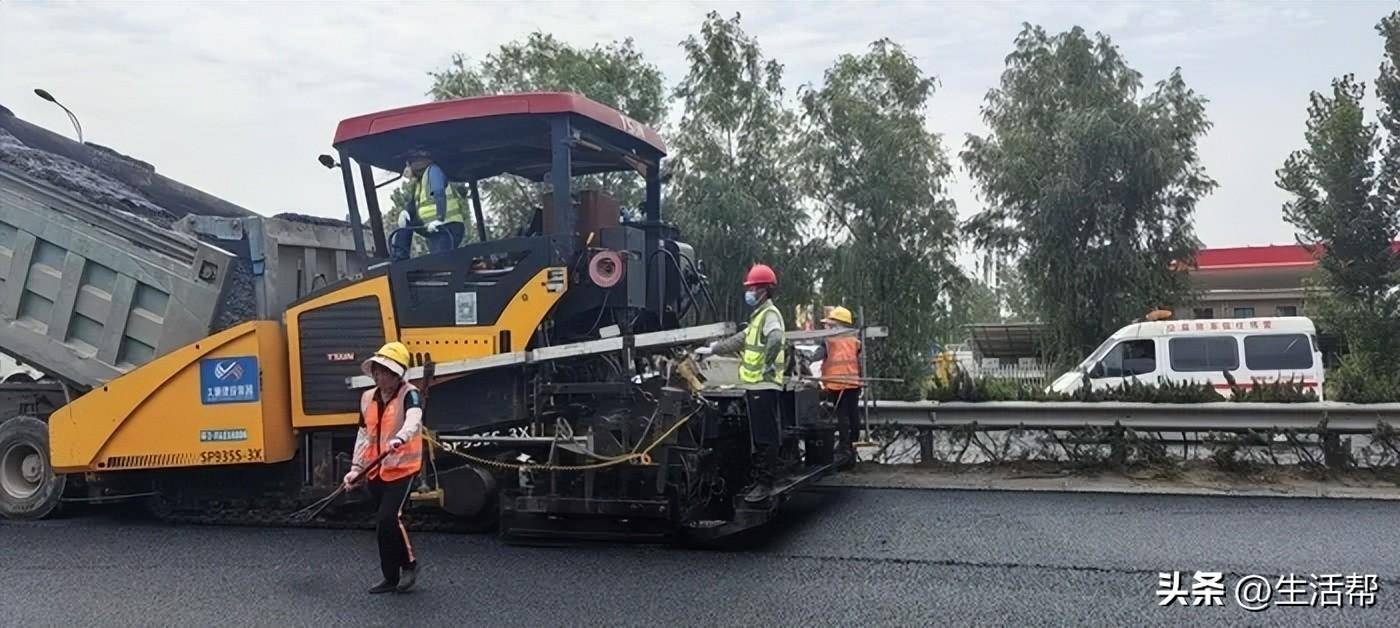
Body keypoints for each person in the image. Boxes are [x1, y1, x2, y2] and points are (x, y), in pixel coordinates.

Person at [695, 263, 786, 503]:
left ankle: (766, 483)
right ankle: (760, 480)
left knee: (765, 435)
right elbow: (738, 341)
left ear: (763, 291)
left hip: (764, 384)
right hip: (757, 385)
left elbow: (776, 337)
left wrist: (767, 363)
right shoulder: (758, 317)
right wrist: (712, 349)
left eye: (753, 288)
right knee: (760, 434)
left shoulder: (769, 314)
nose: (749, 292)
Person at [343, 342, 424, 594]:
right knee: (382, 527)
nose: (379, 376)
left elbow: (414, 418)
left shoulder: (409, 394)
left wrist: (400, 437)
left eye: (385, 371)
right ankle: (390, 577)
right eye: (377, 371)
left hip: (403, 468)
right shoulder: (367, 398)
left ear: (397, 374)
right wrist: (356, 469)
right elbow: (364, 435)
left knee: (389, 518)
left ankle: (409, 565)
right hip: (376, 470)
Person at [390, 149, 467, 261]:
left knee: (439, 262)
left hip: (449, 227)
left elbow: (439, 194)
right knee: (406, 221)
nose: (406, 169)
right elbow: (412, 204)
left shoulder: (433, 171)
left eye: (408, 164)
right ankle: (399, 256)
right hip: (434, 228)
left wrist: (440, 219)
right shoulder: (419, 183)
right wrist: (405, 212)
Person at [810, 306, 862, 469]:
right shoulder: (855, 339)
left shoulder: (829, 339)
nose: (826, 326)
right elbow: (858, 358)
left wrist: (808, 360)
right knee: (853, 415)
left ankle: (844, 448)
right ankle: (851, 446)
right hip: (853, 382)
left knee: (842, 417)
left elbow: (817, 356)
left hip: (836, 383)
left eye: (829, 323)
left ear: (836, 324)